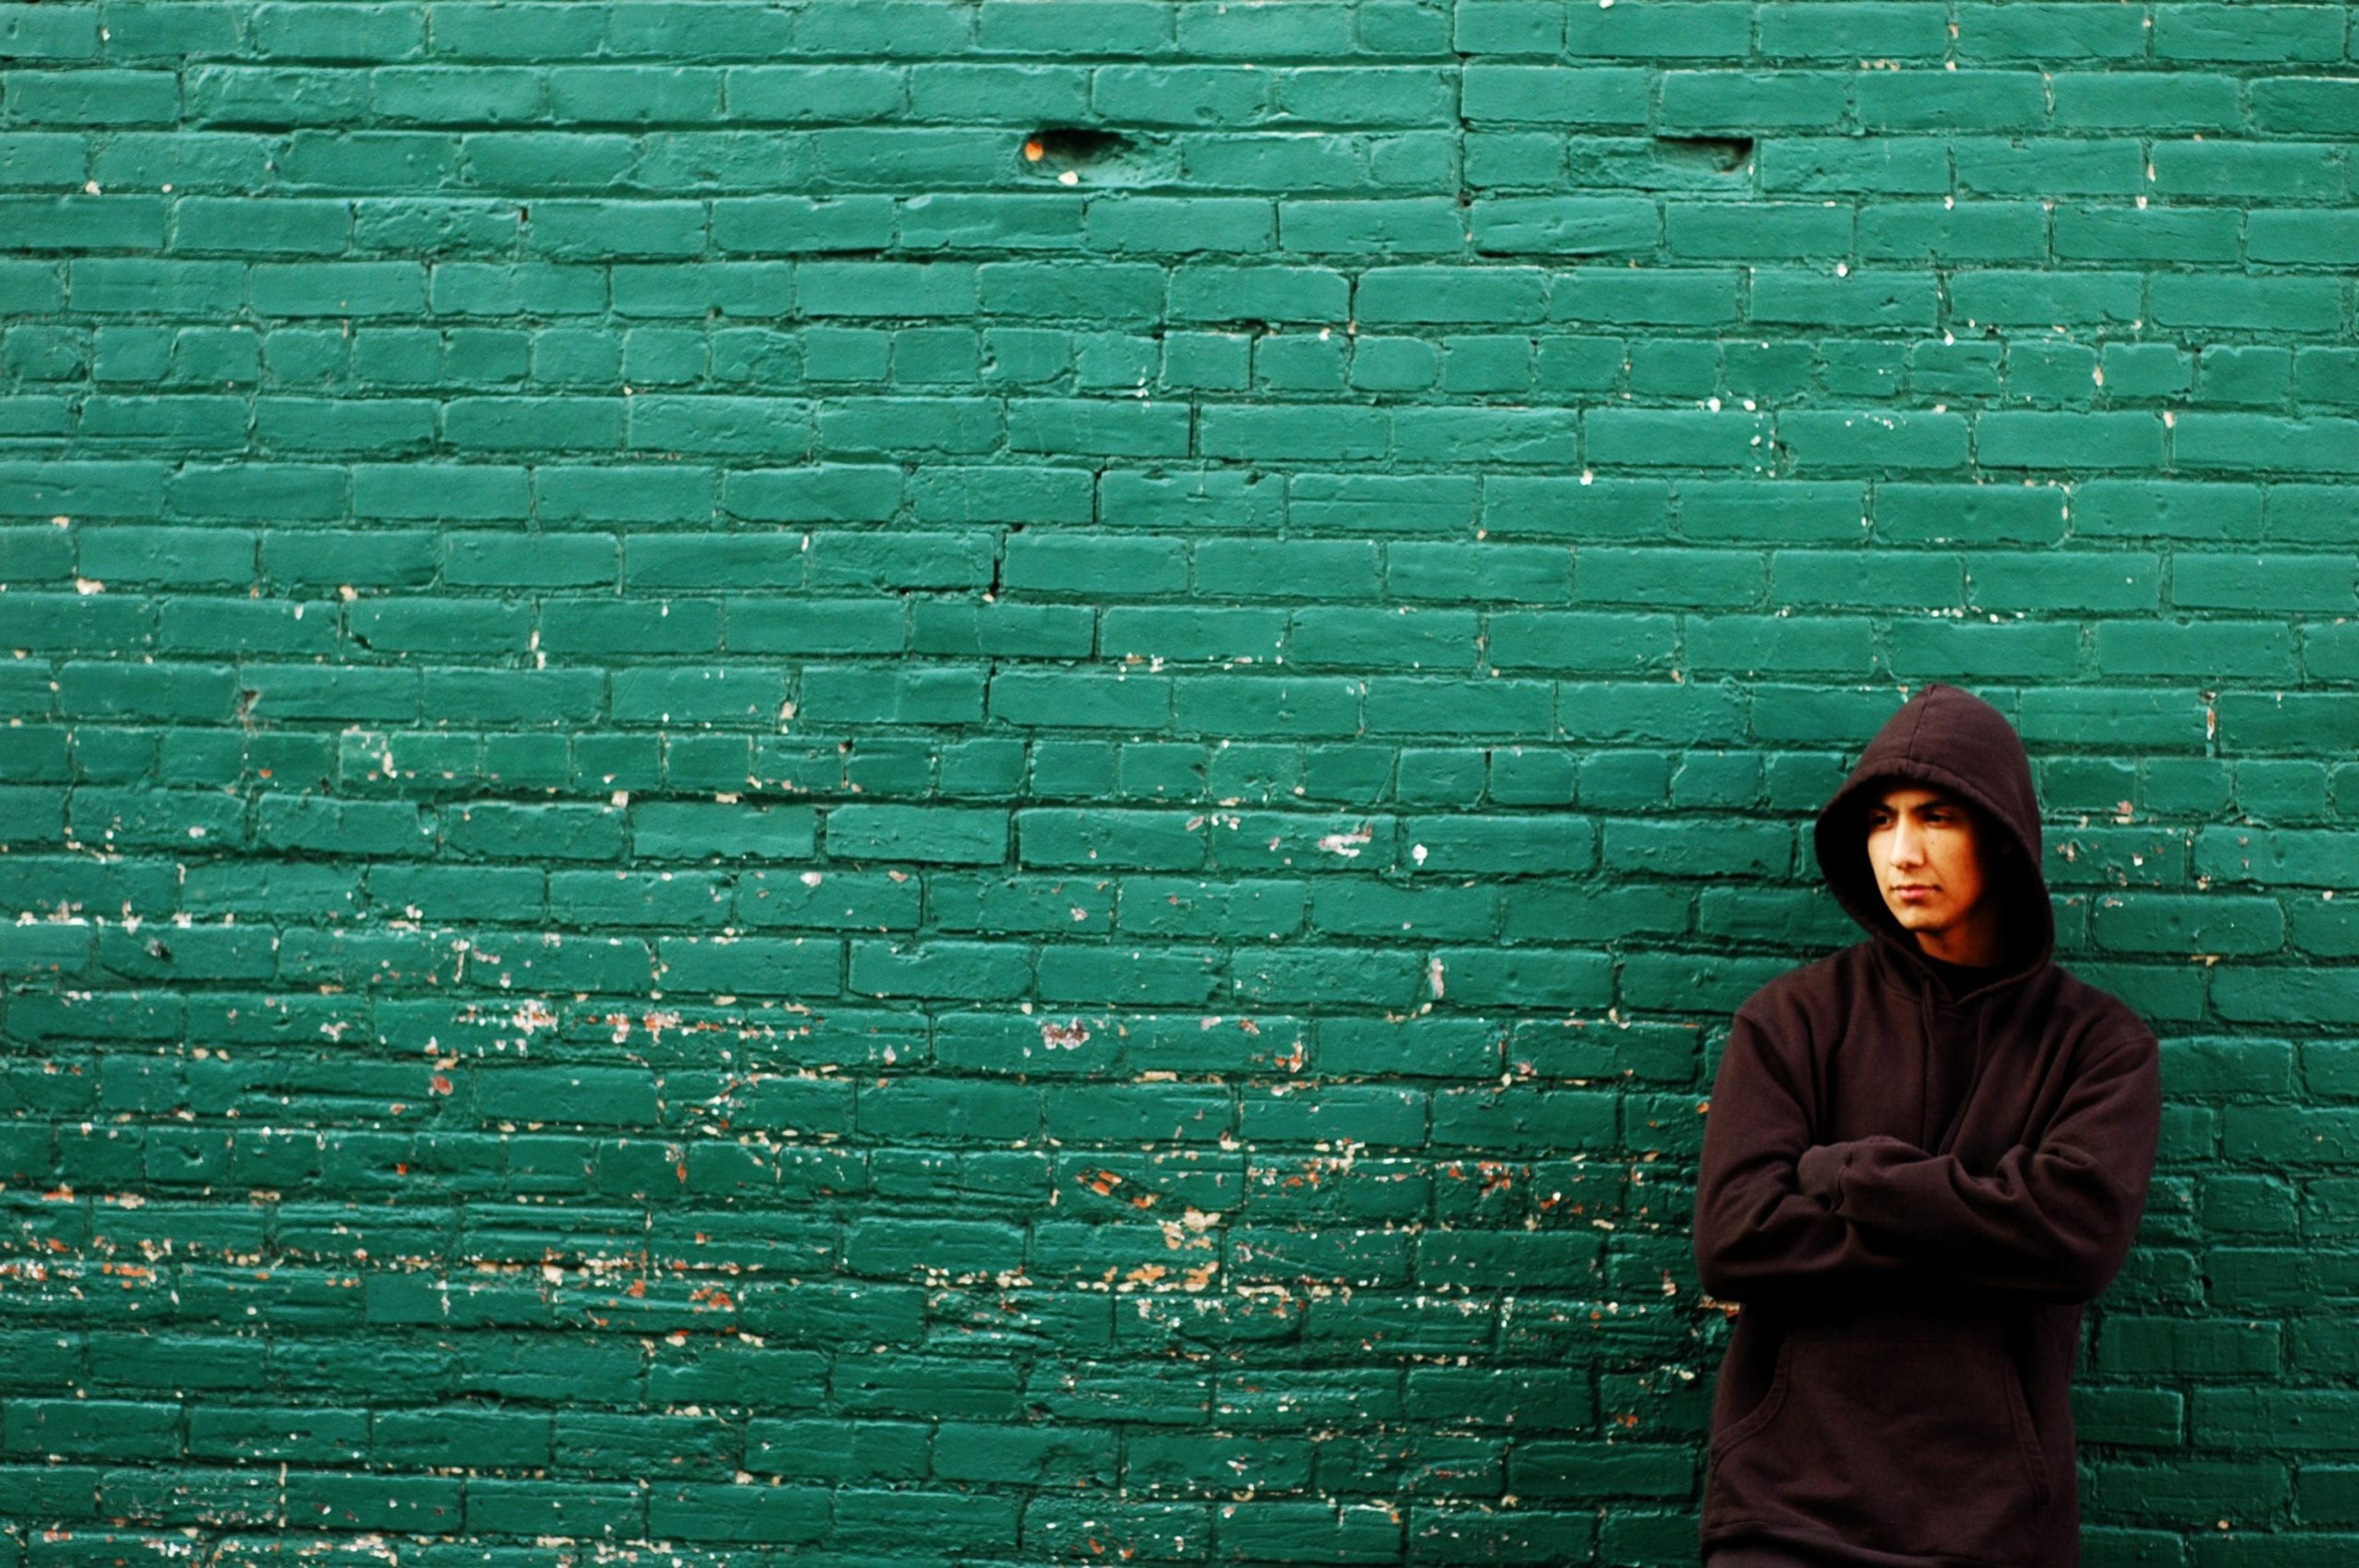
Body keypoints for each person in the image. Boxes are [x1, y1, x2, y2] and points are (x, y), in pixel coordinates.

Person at [1692, 683, 2162, 1568]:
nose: (1902, 852)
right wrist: (1986, 1228)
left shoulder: (2100, 1047)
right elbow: (1735, 1240)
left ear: (2004, 834)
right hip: (1787, 1519)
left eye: (1938, 816)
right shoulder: (1791, 1022)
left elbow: (2075, 1241)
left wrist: (1849, 1177)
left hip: (1996, 1529)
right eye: (1881, 820)